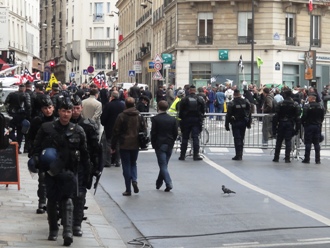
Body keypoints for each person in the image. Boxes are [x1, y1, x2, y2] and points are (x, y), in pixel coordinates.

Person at [30, 100, 91, 246]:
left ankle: (68, 231)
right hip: (51, 171)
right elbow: (35, 148)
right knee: (52, 199)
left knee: (68, 199)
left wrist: (87, 174)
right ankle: (53, 229)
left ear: (72, 113)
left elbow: (84, 154)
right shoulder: (47, 128)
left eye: (69, 111)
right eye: (63, 111)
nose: (66, 114)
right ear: (59, 112)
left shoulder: (78, 130)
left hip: (70, 171)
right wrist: (37, 160)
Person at [70, 95, 102, 237]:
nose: (75, 111)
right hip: (66, 163)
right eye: (72, 108)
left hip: (83, 163)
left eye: (77, 108)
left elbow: (96, 148)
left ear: (81, 108)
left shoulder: (88, 125)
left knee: (80, 194)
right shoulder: (61, 124)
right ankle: (66, 220)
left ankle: (76, 223)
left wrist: (96, 167)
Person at [111, 97, 147, 196]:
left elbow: (116, 131)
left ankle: (128, 189)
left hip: (124, 143)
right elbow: (144, 129)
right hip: (136, 143)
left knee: (126, 165)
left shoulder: (121, 116)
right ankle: (134, 180)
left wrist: (113, 145)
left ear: (125, 105)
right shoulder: (139, 115)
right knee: (133, 163)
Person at [27, 96, 56, 214]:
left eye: (49, 108)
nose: (48, 110)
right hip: (41, 152)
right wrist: (33, 153)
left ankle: (54, 202)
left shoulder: (58, 121)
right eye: (45, 108)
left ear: (53, 108)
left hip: (55, 152)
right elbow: (31, 137)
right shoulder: (37, 121)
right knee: (43, 178)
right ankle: (42, 202)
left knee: (56, 178)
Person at [151, 101, 178, 192]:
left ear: (158, 107)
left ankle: (168, 182)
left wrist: (153, 144)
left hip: (159, 143)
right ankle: (159, 182)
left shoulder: (155, 119)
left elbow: (153, 133)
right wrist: (172, 141)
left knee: (163, 165)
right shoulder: (172, 119)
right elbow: (175, 133)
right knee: (164, 164)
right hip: (169, 143)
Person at [272, 90, 301, 163]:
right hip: (290, 124)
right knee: (288, 141)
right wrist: (297, 129)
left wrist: (274, 128)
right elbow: (297, 117)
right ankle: (287, 157)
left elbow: (276, 116)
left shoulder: (280, 104)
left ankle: (276, 157)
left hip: (281, 123)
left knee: (279, 141)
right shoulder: (295, 105)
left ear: (284, 95)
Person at [178, 85, 205, 161]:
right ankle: (196, 155)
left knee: (185, 138)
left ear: (189, 91)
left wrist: (182, 118)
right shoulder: (200, 99)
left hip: (186, 120)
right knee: (195, 137)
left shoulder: (184, 99)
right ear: (195, 90)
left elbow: (180, 111)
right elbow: (203, 110)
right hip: (196, 120)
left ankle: (182, 155)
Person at [225, 89, 251, 160]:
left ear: (234, 95)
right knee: (241, 138)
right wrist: (249, 123)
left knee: (237, 138)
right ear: (239, 94)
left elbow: (228, 114)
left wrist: (226, 124)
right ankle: (240, 154)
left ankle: (238, 155)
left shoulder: (232, 103)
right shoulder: (246, 101)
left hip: (235, 122)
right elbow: (249, 113)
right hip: (243, 122)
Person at [100, 91, 125, 167]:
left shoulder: (108, 105)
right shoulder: (122, 105)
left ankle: (108, 161)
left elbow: (103, 117)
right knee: (118, 144)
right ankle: (118, 161)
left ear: (112, 97)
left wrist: (104, 123)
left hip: (109, 128)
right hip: (120, 128)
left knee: (108, 144)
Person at [4, 84, 31, 153]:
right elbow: (28, 105)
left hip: (12, 115)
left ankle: (14, 141)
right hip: (21, 115)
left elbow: (6, 103)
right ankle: (17, 146)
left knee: (11, 129)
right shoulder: (25, 95)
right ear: (24, 88)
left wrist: (9, 111)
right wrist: (27, 114)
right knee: (20, 131)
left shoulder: (12, 94)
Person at [301, 93, 325, 164]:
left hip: (309, 126)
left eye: (309, 98)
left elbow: (304, 116)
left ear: (311, 98)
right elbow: (322, 117)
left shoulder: (307, 106)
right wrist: (319, 122)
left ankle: (307, 158)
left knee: (308, 143)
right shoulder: (320, 106)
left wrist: (303, 123)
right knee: (316, 143)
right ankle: (317, 159)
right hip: (317, 125)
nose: (308, 99)